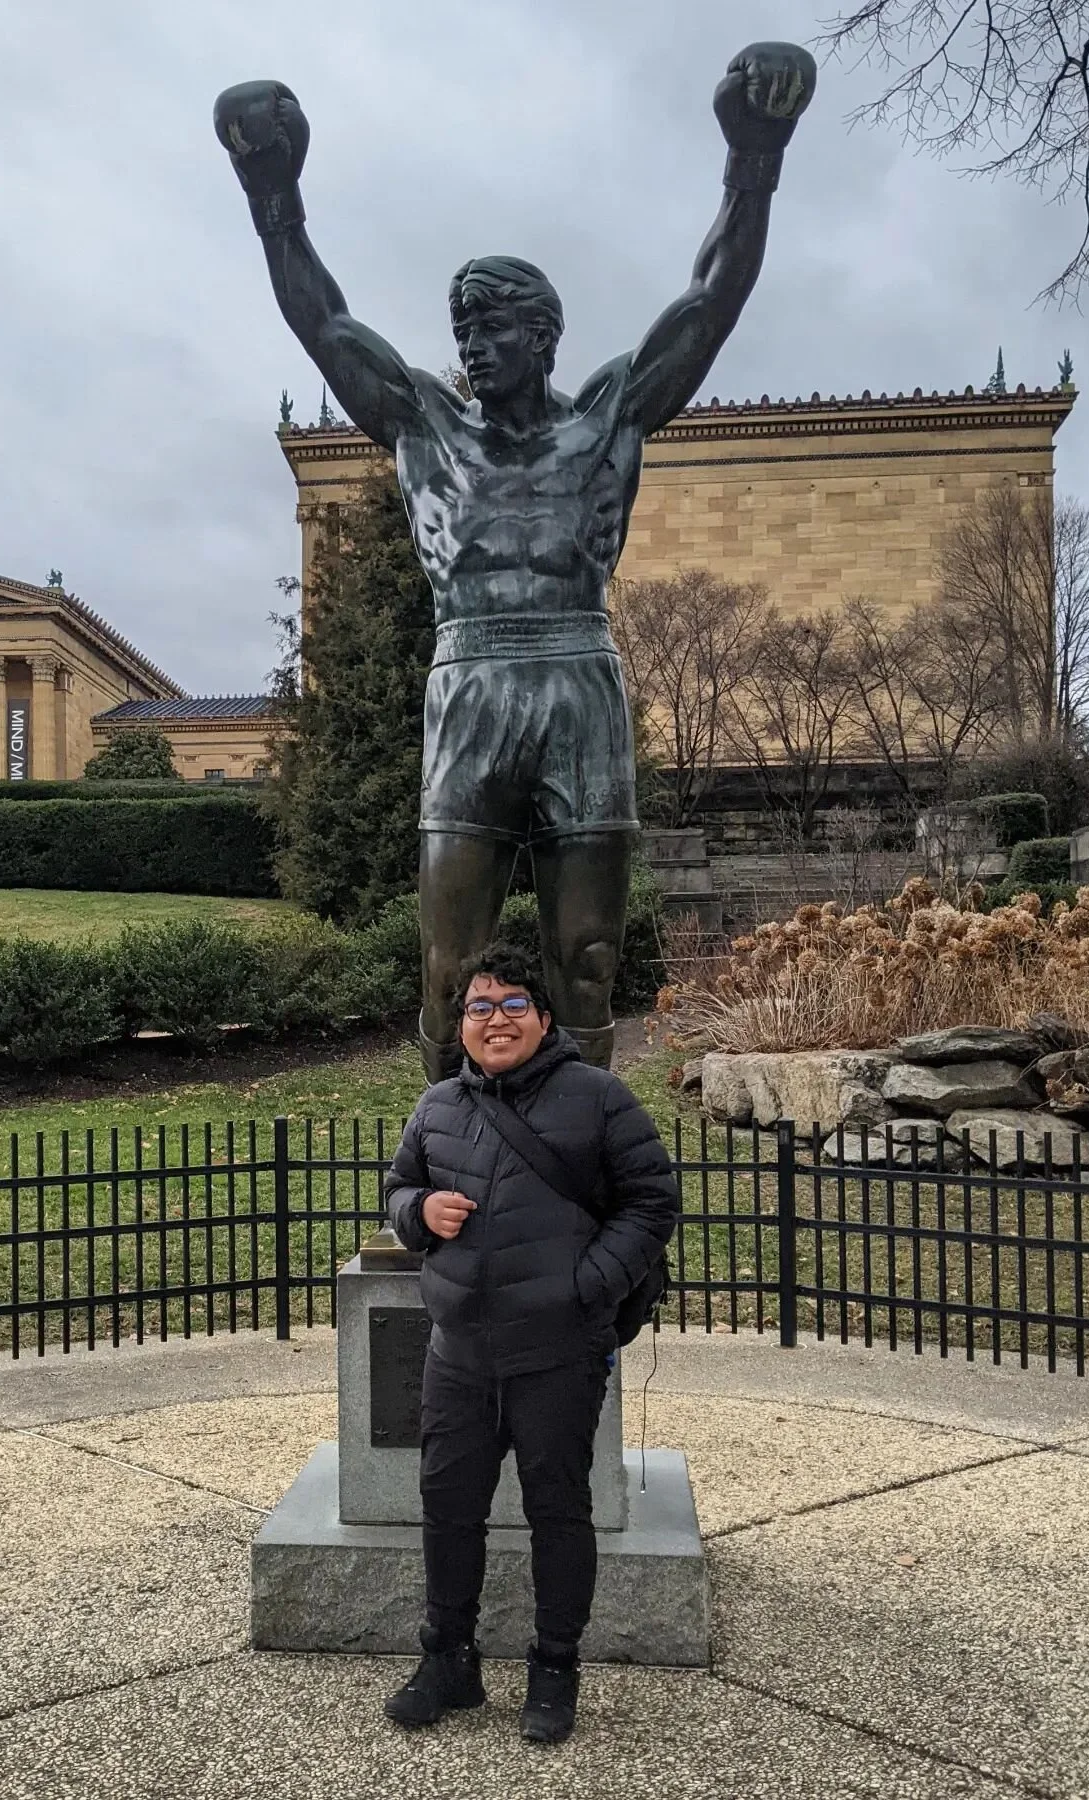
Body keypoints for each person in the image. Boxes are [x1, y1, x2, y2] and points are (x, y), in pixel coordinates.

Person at [213, 46, 815, 1079]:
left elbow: (710, 301)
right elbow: (325, 323)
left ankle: (574, 1158)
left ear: (543, 337)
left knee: (586, 961)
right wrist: (275, 195)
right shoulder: (424, 427)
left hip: (580, 683)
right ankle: (452, 1156)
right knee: (449, 971)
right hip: (471, 685)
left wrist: (752, 161)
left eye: (490, 330)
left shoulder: (608, 421)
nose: (471, 348)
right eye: (462, 332)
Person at [380, 942, 679, 1743]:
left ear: (544, 1020)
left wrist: (586, 1287)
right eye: (480, 1006)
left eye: (513, 1003)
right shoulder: (438, 1106)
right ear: (462, 1025)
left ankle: (554, 1668)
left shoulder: (598, 1097)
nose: (495, 1018)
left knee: (558, 1512)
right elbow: (399, 1187)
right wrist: (418, 1216)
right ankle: (448, 1659)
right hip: (459, 1355)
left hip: (557, 1353)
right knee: (447, 1511)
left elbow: (652, 1201)